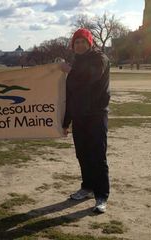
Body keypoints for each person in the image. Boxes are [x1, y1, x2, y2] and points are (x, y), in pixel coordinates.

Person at [61, 28, 110, 213]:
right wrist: (66, 122)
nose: (79, 45)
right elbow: (70, 95)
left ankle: (101, 195)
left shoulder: (100, 58)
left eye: (83, 41)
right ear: (73, 46)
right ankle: (87, 187)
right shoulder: (76, 62)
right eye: (76, 42)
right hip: (80, 116)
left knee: (98, 156)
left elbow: (90, 78)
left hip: (96, 115)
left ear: (90, 43)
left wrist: (70, 71)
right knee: (82, 154)